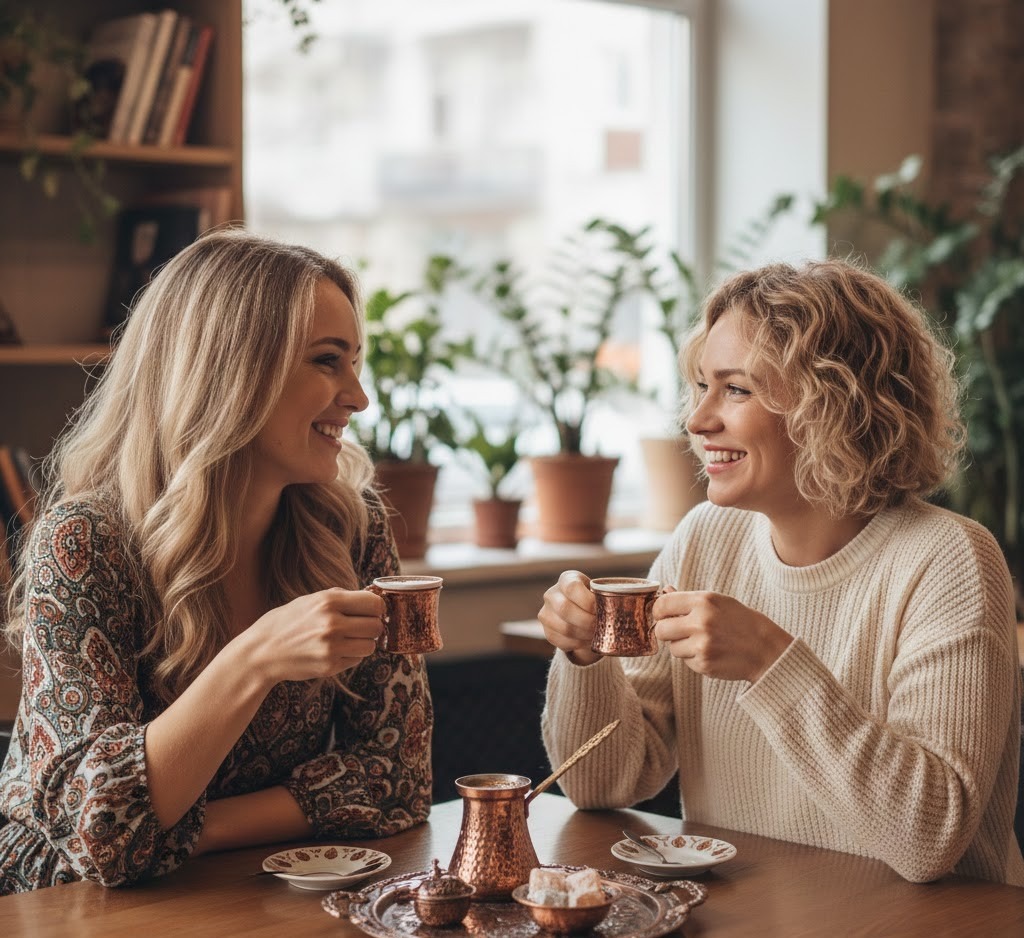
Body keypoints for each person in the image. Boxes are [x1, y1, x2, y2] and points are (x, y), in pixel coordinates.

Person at [538, 258, 1024, 886]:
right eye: (701, 385)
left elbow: (928, 840)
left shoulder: (948, 559)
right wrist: (585, 659)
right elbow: (603, 784)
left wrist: (769, 660)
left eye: (736, 389)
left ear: (838, 404)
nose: (697, 420)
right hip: (747, 914)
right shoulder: (704, 539)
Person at [0, 230, 433, 893]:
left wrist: (180, 830)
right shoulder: (84, 543)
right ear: (230, 371)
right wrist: (256, 657)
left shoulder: (351, 527)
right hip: (65, 903)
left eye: (355, 362)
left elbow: (397, 780)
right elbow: (100, 834)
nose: (358, 396)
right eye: (327, 361)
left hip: (242, 882)